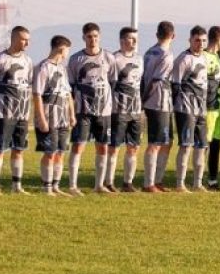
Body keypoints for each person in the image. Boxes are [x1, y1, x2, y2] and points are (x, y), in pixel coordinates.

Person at [0, 25, 34, 195]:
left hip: (22, 113)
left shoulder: (27, 61)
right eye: (24, 39)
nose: (27, 43)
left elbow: (29, 85)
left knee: (18, 150)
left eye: (28, 39)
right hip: (3, 114)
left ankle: (16, 186)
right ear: (14, 39)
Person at [67, 22, 115, 195]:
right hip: (83, 111)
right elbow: (71, 87)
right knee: (78, 146)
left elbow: (113, 82)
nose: (92, 39)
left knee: (102, 147)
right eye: (89, 36)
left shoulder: (109, 57)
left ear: (99, 37)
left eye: (95, 36)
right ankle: (72, 185)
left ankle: (99, 185)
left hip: (104, 111)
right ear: (84, 38)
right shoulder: (75, 59)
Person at [33, 35, 75, 196]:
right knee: (49, 152)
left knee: (60, 152)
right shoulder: (43, 67)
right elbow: (37, 94)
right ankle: (47, 187)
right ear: (61, 48)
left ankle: (56, 185)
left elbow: (68, 94)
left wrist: (72, 115)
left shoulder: (62, 68)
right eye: (67, 49)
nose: (67, 53)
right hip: (49, 117)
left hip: (63, 118)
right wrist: (41, 118)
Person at [170, 26, 210, 192]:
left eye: (203, 40)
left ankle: (198, 183)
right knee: (186, 145)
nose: (200, 43)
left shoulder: (204, 58)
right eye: (197, 40)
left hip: (201, 110)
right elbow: (175, 85)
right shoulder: (183, 59)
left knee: (201, 146)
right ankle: (180, 183)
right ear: (190, 40)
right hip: (186, 109)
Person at [107, 26, 144, 192]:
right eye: (131, 38)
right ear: (122, 40)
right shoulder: (114, 59)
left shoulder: (139, 59)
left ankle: (128, 182)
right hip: (118, 110)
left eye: (136, 38)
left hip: (135, 110)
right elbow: (108, 84)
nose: (134, 41)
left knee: (133, 147)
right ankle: (108, 182)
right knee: (114, 147)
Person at [141, 21, 176, 192]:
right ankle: (149, 183)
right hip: (158, 102)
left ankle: (158, 180)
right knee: (155, 142)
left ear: (157, 35)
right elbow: (156, 80)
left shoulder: (149, 52)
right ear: (173, 36)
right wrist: (144, 99)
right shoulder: (166, 55)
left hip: (162, 103)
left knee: (167, 141)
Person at [204, 25, 220, 190]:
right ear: (219, 39)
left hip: (218, 106)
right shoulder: (203, 57)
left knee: (216, 144)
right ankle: (197, 179)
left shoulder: (218, 57)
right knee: (203, 144)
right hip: (207, 107)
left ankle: (213, 179)